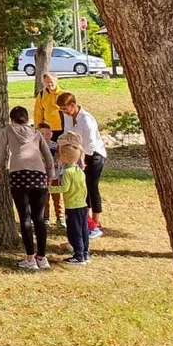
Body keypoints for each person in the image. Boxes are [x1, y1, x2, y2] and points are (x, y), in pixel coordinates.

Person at [0, 105, 56, 270]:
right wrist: (51, 174)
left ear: (12, 118)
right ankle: (42, 257)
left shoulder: (7, 130)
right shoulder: (35, 132)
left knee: (25, 217)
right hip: (39, 175)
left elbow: (1, 152)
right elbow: (47, 154)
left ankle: (30, 258)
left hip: (19, 175)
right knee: (39, 217)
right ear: (27, 118)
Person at [57, 92, 106, 239]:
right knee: (81, 188)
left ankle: (96, 222)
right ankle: (87, 220)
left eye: (65, 108)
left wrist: (83, 159)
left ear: (73, 105)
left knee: (92, 186)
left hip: (94, 155)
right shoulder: (67, 117)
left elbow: (90, 143)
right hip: (77, 155)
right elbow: (67, 134)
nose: (63, 111)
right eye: (61, 109)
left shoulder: (86, 119)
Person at [45, 142, 90, 264]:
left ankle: (78, 255)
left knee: (74, 231)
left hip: (73, 206)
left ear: (64, 157)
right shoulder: (79, 170)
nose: (58, 157)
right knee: (83, 230)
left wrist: (48, 189)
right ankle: (85, 253)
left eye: (60, 155)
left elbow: (65, 188)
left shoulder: (67, 172)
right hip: (82, 205)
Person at [39, 123, 66, 227]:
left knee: (57, 198)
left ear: (51, 134)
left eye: (47, 134)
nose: (45, 136)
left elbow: (61, 158)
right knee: (44, 198)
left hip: (55, 175)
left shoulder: (55, 146)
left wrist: (57, 163)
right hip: (43, 176)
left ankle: (60, 217)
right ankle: (45, 217)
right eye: (42, 134)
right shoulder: (36, 147)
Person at [33, 73, 64, 140]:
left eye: (51, 82)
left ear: (56, 81)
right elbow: (38, 113)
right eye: (47, 82)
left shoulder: (63, 94)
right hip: (47, 129)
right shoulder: (42, 94)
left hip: (62, 128)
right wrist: (38, 127)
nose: (49, 84)